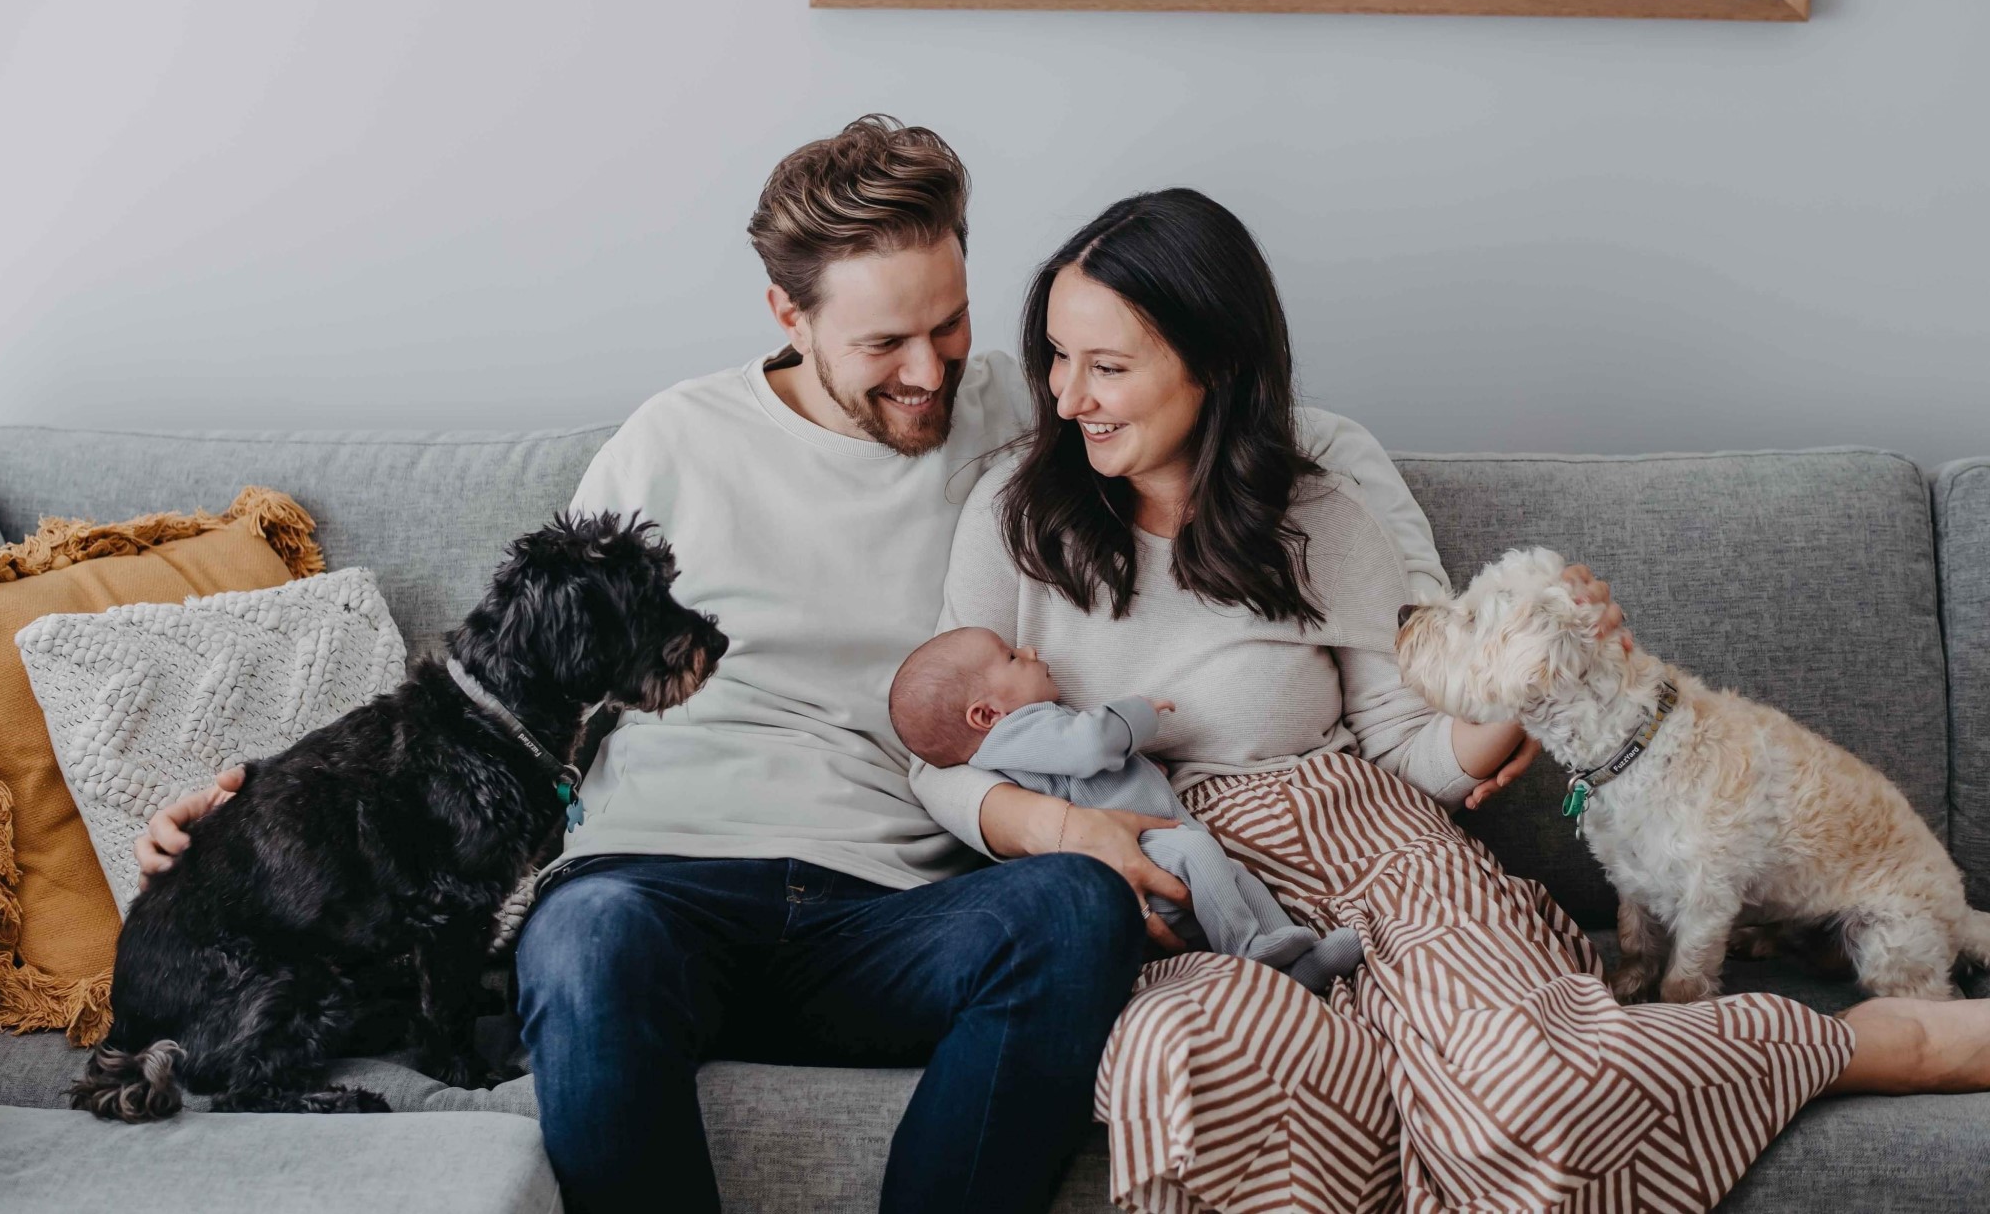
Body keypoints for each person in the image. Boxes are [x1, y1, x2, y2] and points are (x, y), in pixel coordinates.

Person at [133, 117, 1498, 1213]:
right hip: (659, 886)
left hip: (895, 903)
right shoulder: (669, 442)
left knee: (1074, 909)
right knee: (587, 939)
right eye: (885, 344)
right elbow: (490, 681)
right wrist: (246, 812)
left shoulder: (1030, 421)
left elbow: (1245, 426)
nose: (932, 371)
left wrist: (1466, 637)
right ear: (786, 313)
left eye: (952, 322)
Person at [908, 185, 1990, 1213]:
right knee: (1191, 1061)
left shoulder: (1315, 512)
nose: (1065, 394)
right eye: (1054, 355)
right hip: (1175, 882)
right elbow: (942, 760)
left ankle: (1870, 1042)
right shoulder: (1012, 512)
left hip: (1366, 843)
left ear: (1213, 364)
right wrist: (1059, 828)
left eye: (1105, 365)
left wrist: (1526, 688)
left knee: (1521, 1080)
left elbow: (1404, 743)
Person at [889, 625, 1365, 990]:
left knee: (1236, 875)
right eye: (1013, 657)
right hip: (1131, 851)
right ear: (987, 714)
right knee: (1201, 856)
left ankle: (1298, 960)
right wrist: (1136, 715)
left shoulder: (1023, 744)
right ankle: (1247, 950)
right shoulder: (1019, 732)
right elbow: (1088, 746)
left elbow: (1083, 772)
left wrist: (1138, 766)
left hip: (1147, 840)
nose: (1032, 653)